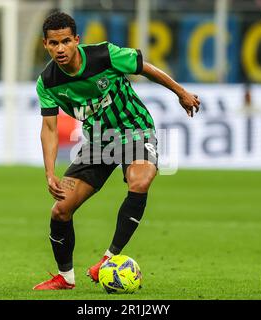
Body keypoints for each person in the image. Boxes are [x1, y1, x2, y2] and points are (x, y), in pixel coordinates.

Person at [33, 11, 200, 290]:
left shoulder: (104, 55)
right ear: (45, 45)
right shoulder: (47, 82)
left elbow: (145, 68)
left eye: (65, 42)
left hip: (134, 129)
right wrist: (50, 172)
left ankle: (109, 258)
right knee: (60, 210)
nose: (60, 49)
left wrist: (180, 92)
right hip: (98, 142)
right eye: (53, 44)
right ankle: (65, 277)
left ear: (77, 40)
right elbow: (49, 129)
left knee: (141, 180)